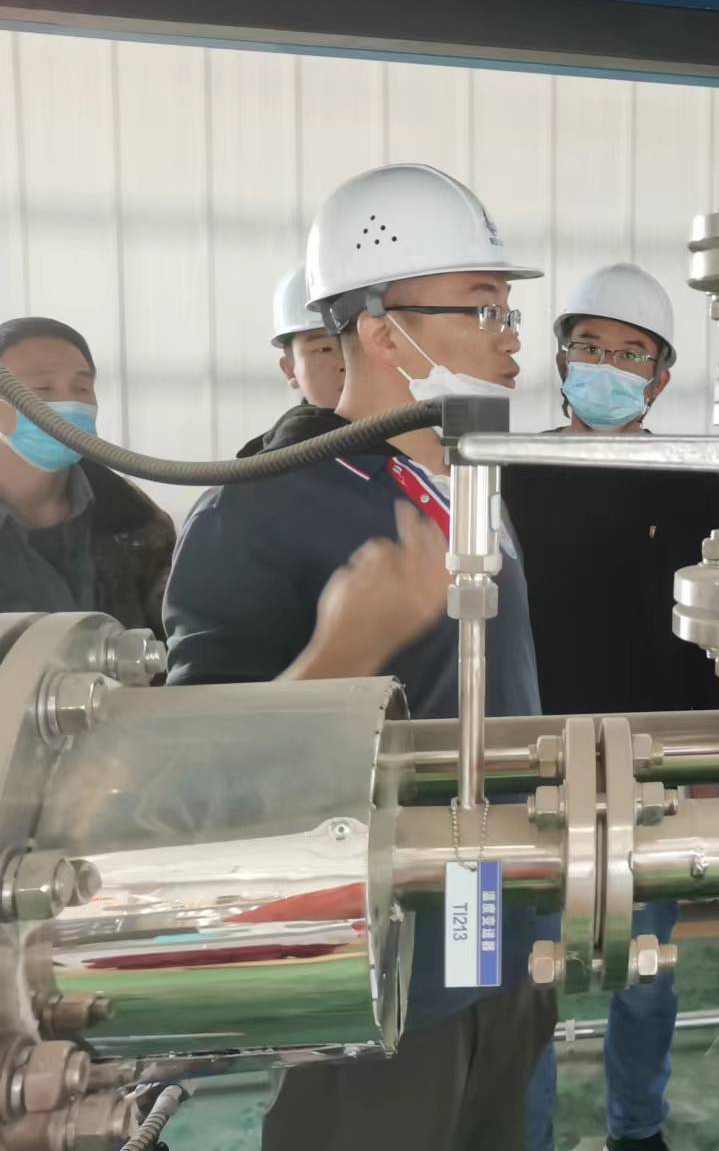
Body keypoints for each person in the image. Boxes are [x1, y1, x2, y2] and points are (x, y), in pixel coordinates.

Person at [163, 163, 556, 1151]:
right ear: (382, 331)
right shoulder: (259, 505)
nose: (512, 336)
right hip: (371, 957)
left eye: (508, 309)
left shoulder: (472, 481)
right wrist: (347, 648)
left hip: (490, 921)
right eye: (483, 307)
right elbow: (195, 786)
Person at [505, 263, 719, 1151]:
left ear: (661, 378)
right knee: (522, 977)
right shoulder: (514, 470)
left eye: (630, 353)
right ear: (562, 360)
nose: (606, 366)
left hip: (650, 762)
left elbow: (713, 626)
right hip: (527, 760)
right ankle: (521, 1134)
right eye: (590, 347)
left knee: (645, 971)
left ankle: (636, 1129)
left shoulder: (689, 480)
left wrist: (710, 761)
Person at [0, 316, 175, 635]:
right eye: (42, 388)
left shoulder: (138, 522)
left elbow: (172, 641)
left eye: (81, 388)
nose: (69, 403)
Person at [238, 267, 345, 456]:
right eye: (324, 349)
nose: (346, 363)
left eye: (362, 345)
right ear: (289, 370)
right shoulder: (281, 464)